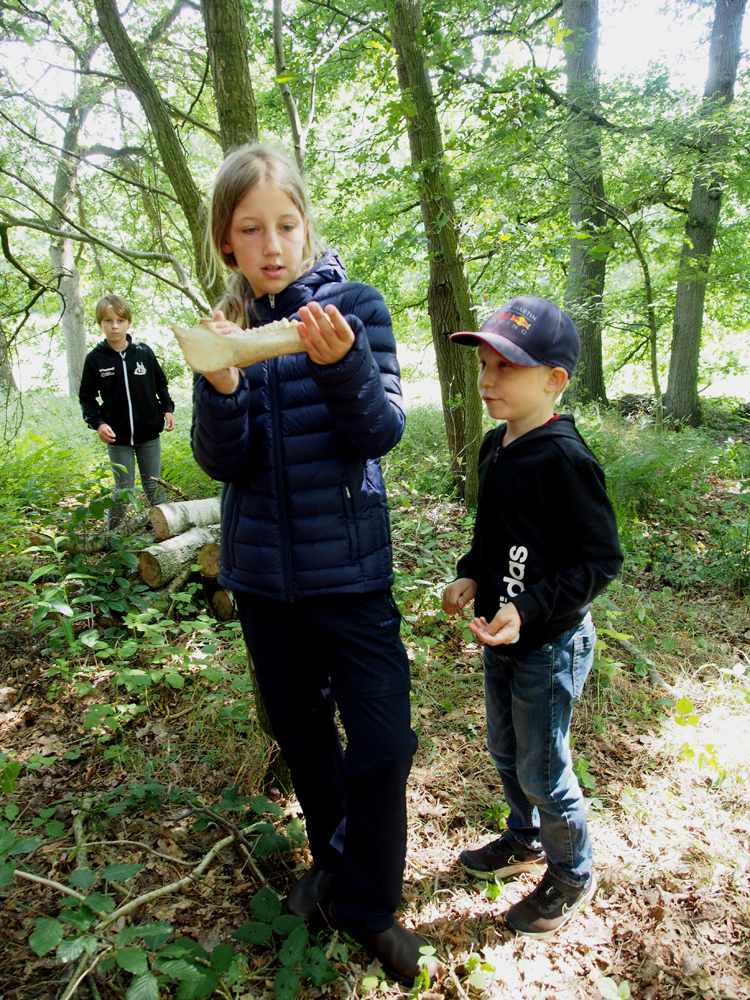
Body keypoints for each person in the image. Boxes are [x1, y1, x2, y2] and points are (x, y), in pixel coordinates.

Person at [190, 143, 437, 986]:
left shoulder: (355, 308)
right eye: (250, 229)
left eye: (285, 225)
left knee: (384, 741)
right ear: (227, 241)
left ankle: (367, 903)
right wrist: (221, 389)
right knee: (300, 732)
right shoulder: (227, 332)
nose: (271, 245)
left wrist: (342, 367)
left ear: (305, 225)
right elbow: (223, 463)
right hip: (262, 581)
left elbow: (380, 433)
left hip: (351, 578)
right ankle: (331, 859)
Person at [443, 296, 623, 939]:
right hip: (502, 636)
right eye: (485, 365)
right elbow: (492, 532)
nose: (488, 380)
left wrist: (528, 607)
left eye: (506, 368)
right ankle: (523, 839)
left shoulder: (567, 461)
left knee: (543, 766)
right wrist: (471, 571)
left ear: (553, 381)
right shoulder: (497, 446)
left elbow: (601, 560)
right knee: (505, 749)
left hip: (549, 643)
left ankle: (572, 872)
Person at [79, 294, 175, 529]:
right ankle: (112, 540)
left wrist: (167, 409)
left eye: (120, 320)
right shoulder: (95, 359)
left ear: (128, 322)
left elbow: (160, 383)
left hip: (149, 434)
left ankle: (165, 535)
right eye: (108, 321)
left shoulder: (143, 352)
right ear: (100, 324)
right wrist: (99, 424)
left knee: (154, 485)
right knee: (124, 490)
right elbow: (86, 398)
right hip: (117, 437)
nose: (114, 326)